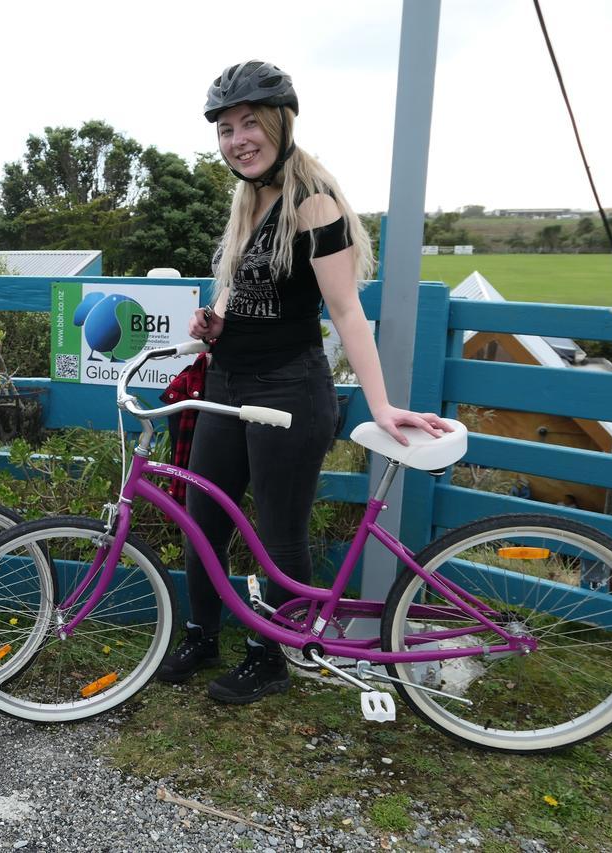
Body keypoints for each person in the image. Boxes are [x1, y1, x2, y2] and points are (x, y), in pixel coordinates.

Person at [154, 61, 452, 704]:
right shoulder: (246, 202)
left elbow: (345, 311)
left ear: (280, 124)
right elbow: (247, 297)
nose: (238, 139)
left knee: (278, 531)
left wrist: (382, 404)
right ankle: (203, 631)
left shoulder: (313, 203)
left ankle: (275, 654)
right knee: (203, 516)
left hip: (288, 389)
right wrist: (214, 325)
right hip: (228, 380)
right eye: (227, 128)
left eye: (250, 124)